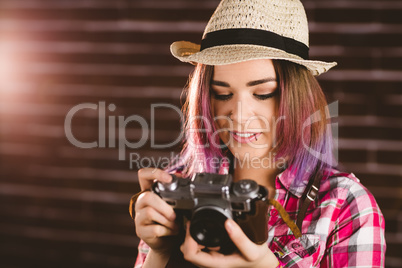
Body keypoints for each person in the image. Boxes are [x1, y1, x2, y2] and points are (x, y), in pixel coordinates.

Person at [132, 0, 386, 267]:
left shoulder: (345, 207)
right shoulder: (182, 180)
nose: (238, 116)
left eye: (262, 94)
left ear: (298, 97)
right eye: (223, 94)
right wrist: (159, 253)